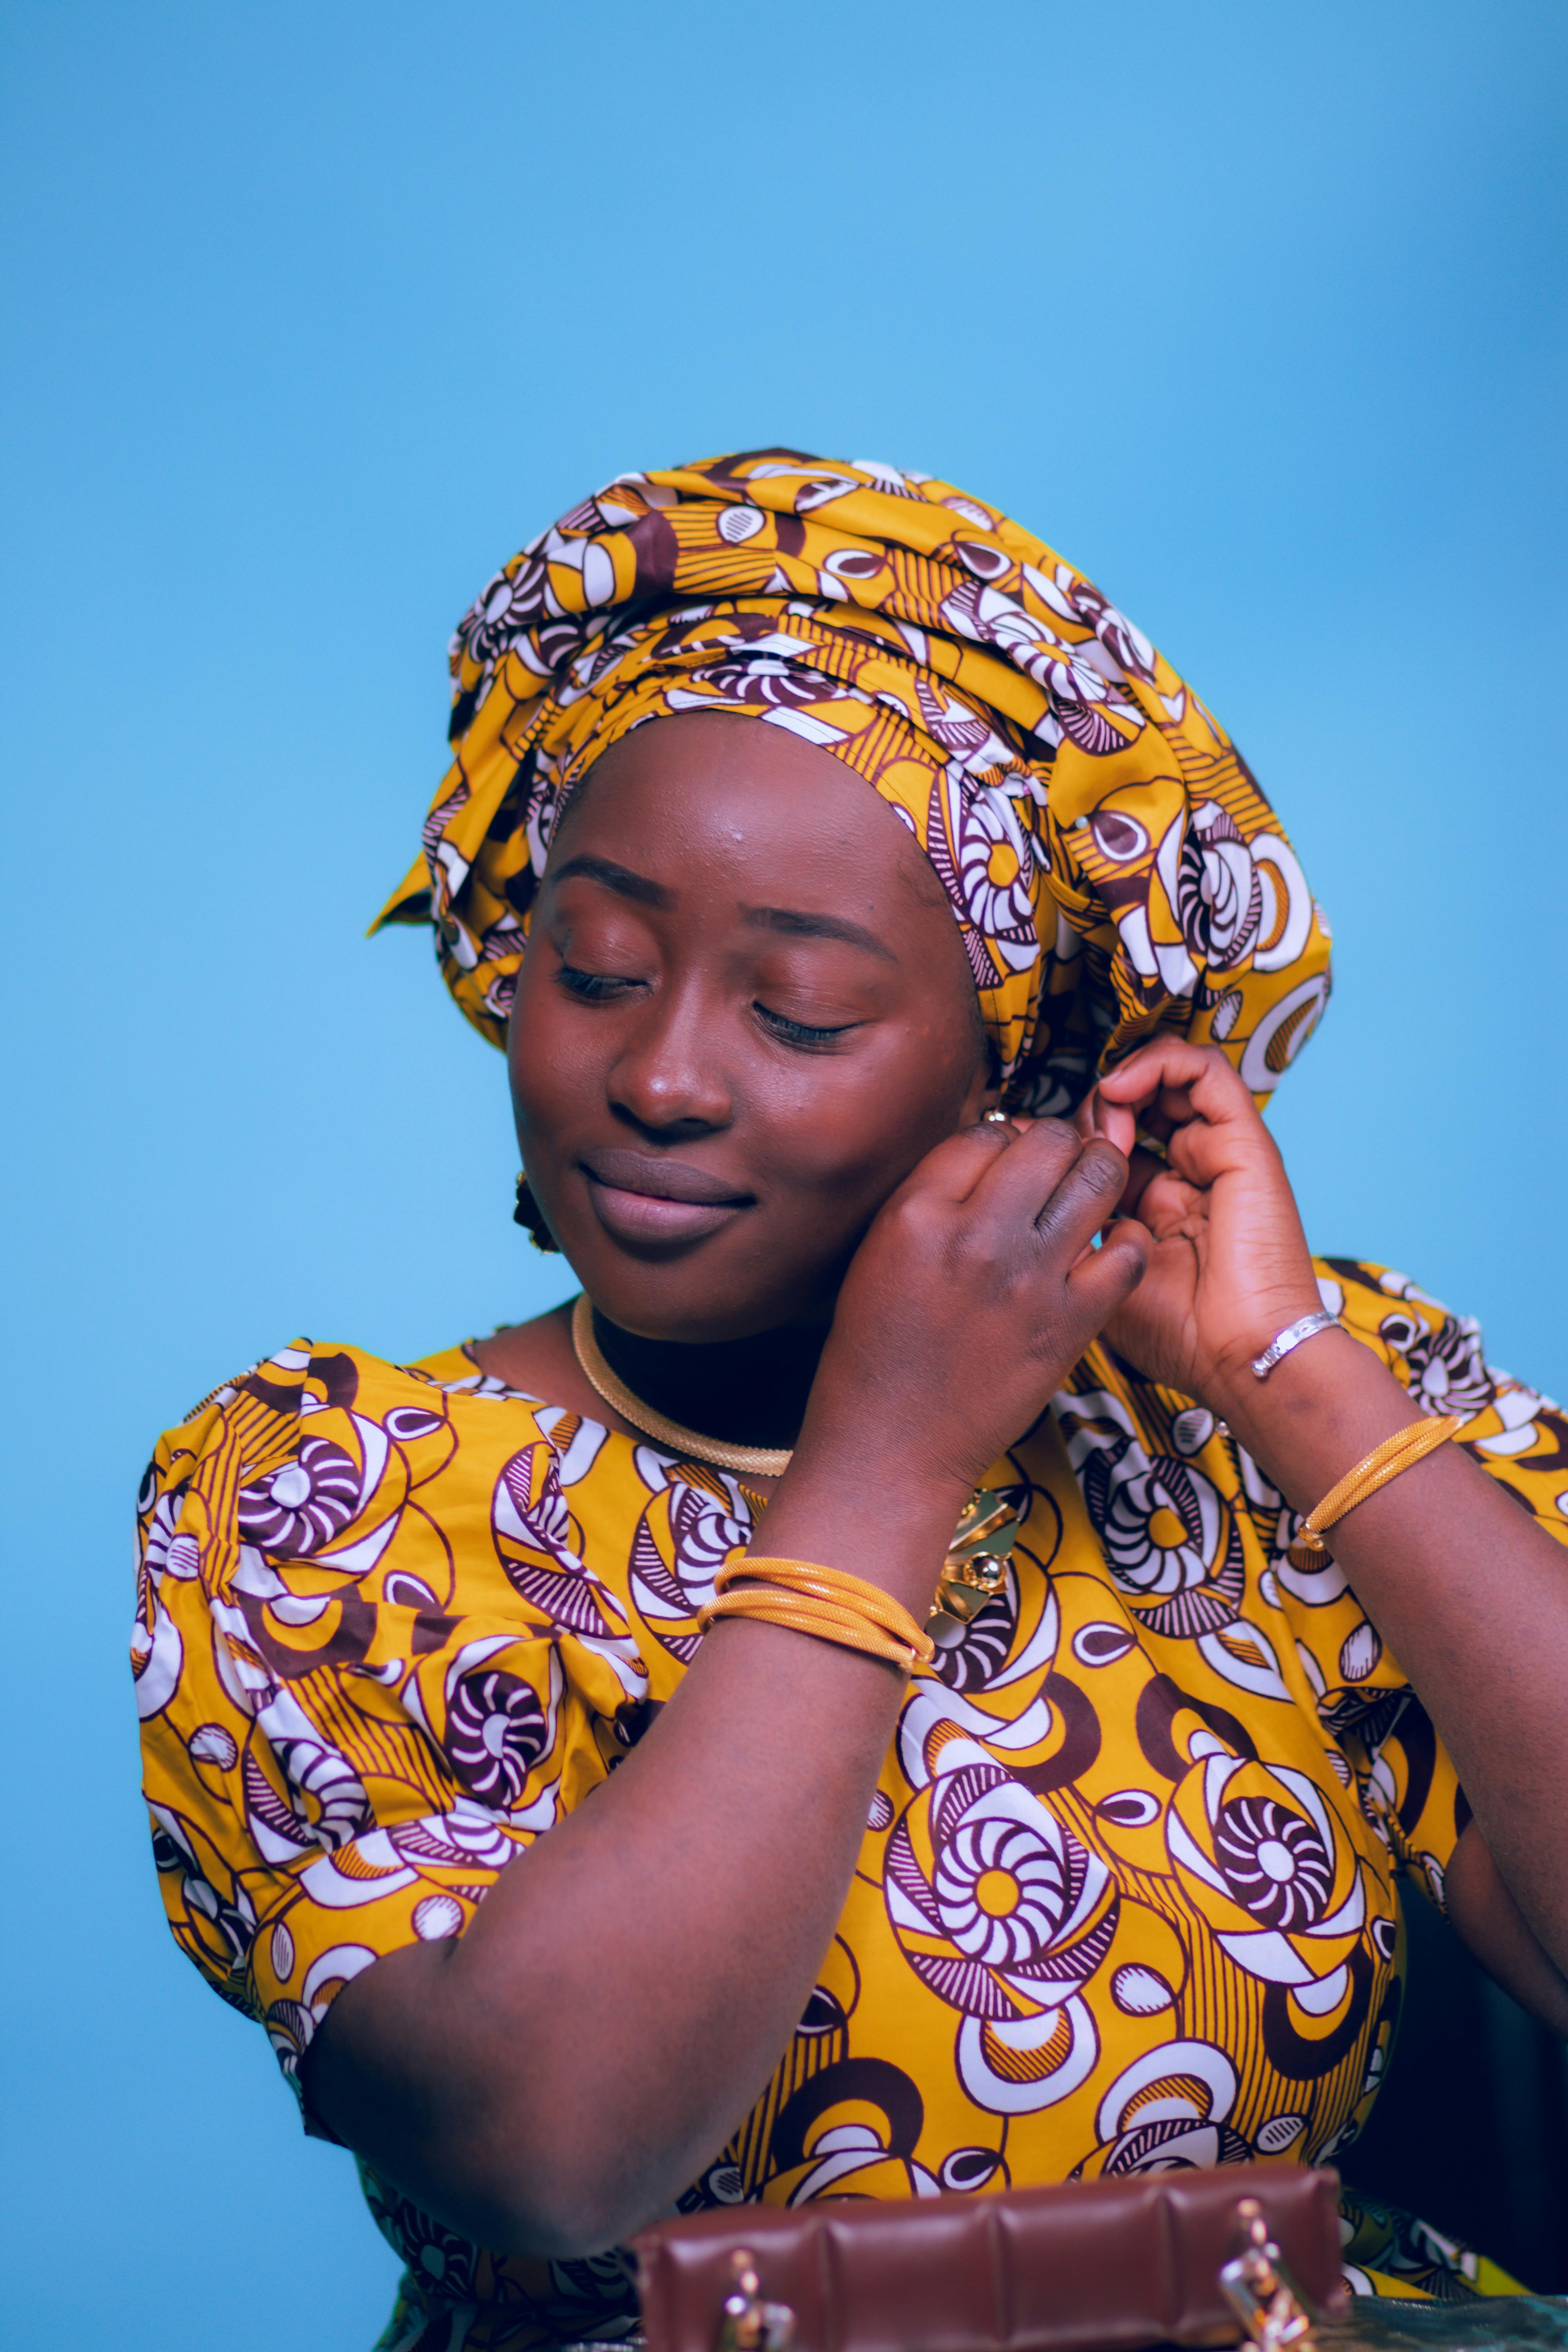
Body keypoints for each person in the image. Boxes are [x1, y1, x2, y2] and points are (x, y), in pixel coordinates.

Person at [135, 453, 1568, 2351]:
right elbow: (540, 2146)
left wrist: (1288, 1386)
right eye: (597, 970)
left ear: (1016, 1064)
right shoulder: (328, 1491)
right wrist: (886, 1459)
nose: (658, 1076)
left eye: (796, 1013)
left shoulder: (1256, 1418)